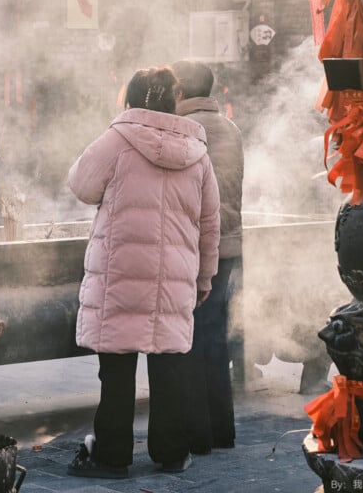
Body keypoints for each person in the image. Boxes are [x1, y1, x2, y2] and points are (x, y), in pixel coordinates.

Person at [66, 66, 221, 479]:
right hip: (174, 276)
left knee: (116, 371)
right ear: (175, 102)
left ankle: (112, 457)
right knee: (170, 368)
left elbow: (81, 186)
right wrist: (204, 277)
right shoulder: (197, 150)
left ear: (129, 100)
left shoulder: (117, 139)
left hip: (120, 274)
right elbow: (210, 224)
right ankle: (171, 453)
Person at [172, 59, 244, 455]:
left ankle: (197, 435)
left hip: (197, 247)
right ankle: (222, 430)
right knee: (214, 335)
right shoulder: (229, 128)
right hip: (229, 245)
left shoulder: (186, 130)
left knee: (191, 338)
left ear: (180, 90)